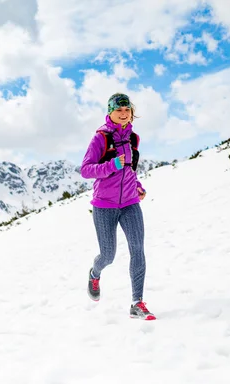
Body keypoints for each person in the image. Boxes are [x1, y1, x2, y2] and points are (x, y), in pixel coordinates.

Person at [80, 92, 155, 320]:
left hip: (130, 203)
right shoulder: (101, 139)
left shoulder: (134, 139)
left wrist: (138, 186)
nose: (123, 114)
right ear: (110, 112)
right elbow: (85, 169)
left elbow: (130, 169)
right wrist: (110, 165)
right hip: (104, 205)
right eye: (119, 110)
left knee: (137, 249)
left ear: (132, 113)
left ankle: (137, 303)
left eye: (127, 110)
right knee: (108, 255)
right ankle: (94, 273)